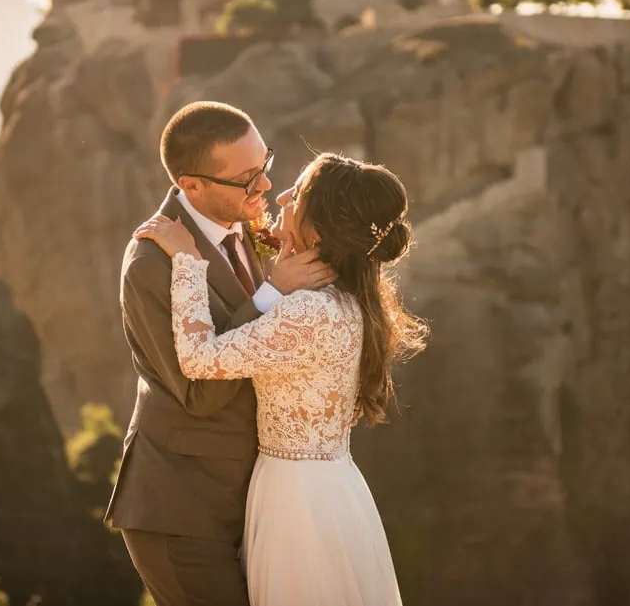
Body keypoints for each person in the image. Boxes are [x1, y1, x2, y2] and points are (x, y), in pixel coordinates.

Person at [134, 150, 428, 606]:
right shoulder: (353, 301)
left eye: (300, 192)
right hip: (333, 490)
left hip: (296, 502)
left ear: (321, 226)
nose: (283, 194)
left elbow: (197, 358)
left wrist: (189, 260)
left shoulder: (308, 311)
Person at [106, 101, 336, 606]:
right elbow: (200, 393)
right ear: (192, 186)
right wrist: (272, 294)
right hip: (183, 513)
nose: (266, 189)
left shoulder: (248, 228)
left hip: (255, 507)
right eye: (247, 179)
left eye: (265, 167)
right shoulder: (151, 263)